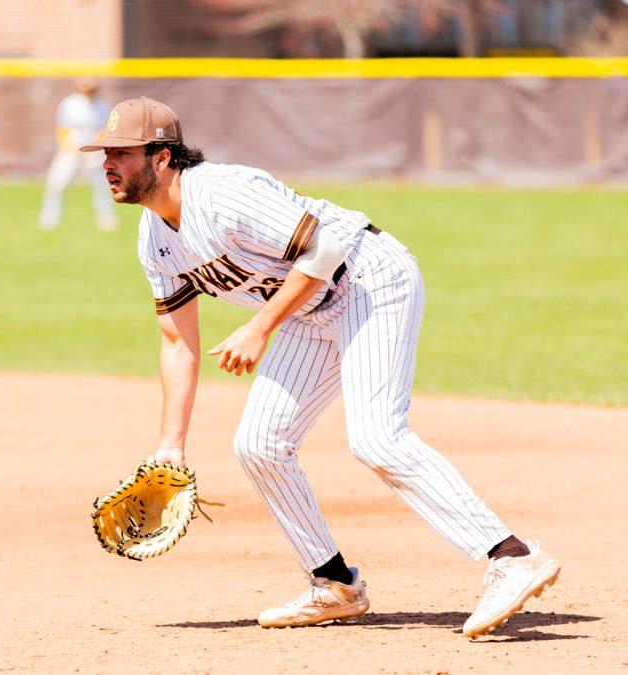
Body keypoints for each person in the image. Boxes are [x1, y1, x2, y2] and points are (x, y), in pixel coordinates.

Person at [80, 97, 559, 638]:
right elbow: (176, 343)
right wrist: (171, 445)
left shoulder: (224, 194)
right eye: (105, 153)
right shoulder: (154, 239)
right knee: (260, 443)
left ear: (161, 157)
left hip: (366, 280)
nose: (107, 164)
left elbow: (324, 249)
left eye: (121, 152)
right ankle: (333, 585)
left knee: (377, 439)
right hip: (310, 306)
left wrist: (260, 327)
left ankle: (512, 556)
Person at [38, 78, 118, 232]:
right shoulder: (70, 104)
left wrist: (95, 149)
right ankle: (50, 217)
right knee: (57, 183)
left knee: (103, 185)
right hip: (71, 152)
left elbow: (104, 131)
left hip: (94, 153)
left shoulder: (102, 106)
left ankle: (106, 218)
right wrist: (70, 149)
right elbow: (63, 130)